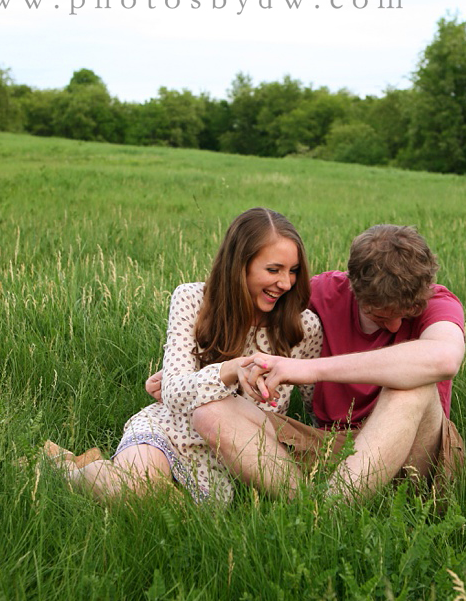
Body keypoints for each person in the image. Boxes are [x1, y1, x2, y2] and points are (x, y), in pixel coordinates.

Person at [42, 206, 323, 504]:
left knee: (165, 511)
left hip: (232, 456)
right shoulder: (192, 300)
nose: (286, 283)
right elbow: (174, 391)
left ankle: (91, 466)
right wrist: (229, 370)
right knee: (125, 489)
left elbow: (316, 412)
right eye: (273, 270)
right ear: (240, 265)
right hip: (171, 428)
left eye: (293, 271)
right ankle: (65, 470)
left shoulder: (304, 326)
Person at [187, 223, 466, 500]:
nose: (394, 327)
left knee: (412, 385)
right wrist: (202, 366)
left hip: (415, 450)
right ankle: (308, 506)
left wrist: (307, 370)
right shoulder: (326, 292)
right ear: (354, 288)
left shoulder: (439, 301)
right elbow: (250, 315)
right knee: (210, 414)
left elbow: (444, 358)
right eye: (380, 316)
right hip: (331, 443)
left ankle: (332, 513)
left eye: (404, 316)